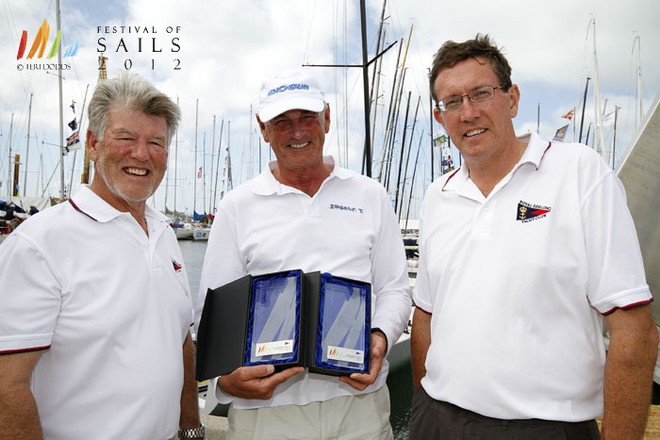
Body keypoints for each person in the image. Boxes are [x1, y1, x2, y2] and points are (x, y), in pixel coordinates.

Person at [410, 34, 658, 439]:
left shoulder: (579, 172)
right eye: (451, 102)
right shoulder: (438, 195)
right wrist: (423, 407)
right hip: (438, 421)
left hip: (544, 428)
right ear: (440, 118)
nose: (467, 112)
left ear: (512, 99)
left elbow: (634, 328)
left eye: (481, 93)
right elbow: (426, 315)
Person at [195, 68, 412, 440]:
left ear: (327, 119)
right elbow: (213, 314)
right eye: (282, 121)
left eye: (307, 117)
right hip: (267, 415)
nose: (297, 131)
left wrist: (381, 335)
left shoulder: (370, 194)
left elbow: (395, 289)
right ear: (263, 129)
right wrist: (227, 381)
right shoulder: (237, 205)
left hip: (359, 408)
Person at [0, 73, 204, 440]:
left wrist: (191, 428)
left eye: (156, 142)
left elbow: (180, 341)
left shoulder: (164, 234)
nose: (141, 154)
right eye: (125, 138)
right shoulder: (39, 245)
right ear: (93, 144)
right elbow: (6, 386)